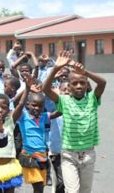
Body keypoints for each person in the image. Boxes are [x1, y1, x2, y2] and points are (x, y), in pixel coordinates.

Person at [42, 51, 106, 193]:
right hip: (69, 155)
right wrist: (56, 68)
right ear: (69, 87)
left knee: (85, 191)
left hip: (88, 154)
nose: (78, 86)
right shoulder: (64, 101)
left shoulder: (92, 100)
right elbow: (45, 89)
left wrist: (85, 72)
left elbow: (103, 82)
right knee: (72, 191)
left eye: (82, 83)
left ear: (86, 85)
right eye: (74, 83)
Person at [0, 74, 35, 193]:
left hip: (9, 165)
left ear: (9, 109)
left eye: (3, 107)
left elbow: (21, 103)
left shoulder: (11, 120)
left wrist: (27, 88)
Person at [48, 81, 70, 193]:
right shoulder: (54, 104)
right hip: (56, 151)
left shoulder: (75, 106)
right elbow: (46, 94)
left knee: (70, 182)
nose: (66, 91)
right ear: (59, 91)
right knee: (60, 183)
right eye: (64, 89)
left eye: (69, 89)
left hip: (72, 152)